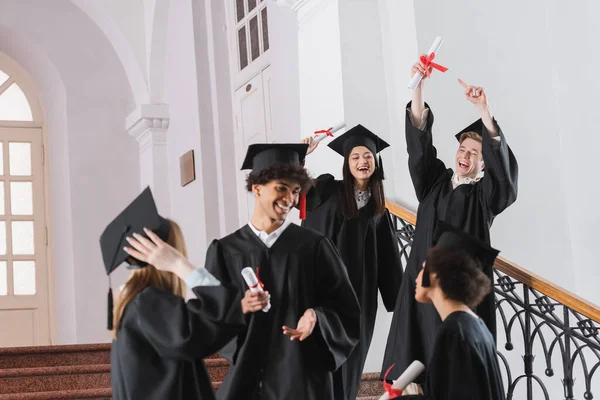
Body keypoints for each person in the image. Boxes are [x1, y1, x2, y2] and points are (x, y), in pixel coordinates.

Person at [381, 58, 518, 381]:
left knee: (452, 371)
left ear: (485, 165)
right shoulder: (435, 183)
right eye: (463, 148)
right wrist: (419, 88)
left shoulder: (484, 197)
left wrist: (485, 111)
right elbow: (419, 148)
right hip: (419, 289)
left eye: (474, 153)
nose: (465, 155)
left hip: (455, 294)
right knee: (411, 367)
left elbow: (506, 184)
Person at [206, 143, 361, 400]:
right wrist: (240, 311)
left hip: (304, 378)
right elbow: (210, 316)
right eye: (281, 188)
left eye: (295, 191)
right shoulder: (226, 251)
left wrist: (317, 316)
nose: (289, 199)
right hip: (249, 380)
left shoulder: (314, 247)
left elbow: (347, 309)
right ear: (256, 188)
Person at [101, 187, 244, 400]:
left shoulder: (133, 302)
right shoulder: (149, 303)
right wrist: (180, 265)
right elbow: (219, 313)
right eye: (177, 250)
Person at [301, 125, 404, 400]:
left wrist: (402, 300)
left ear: (375, 162)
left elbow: (388, 259)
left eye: (368, 156)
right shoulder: (327, 190)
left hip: (360, 303)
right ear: (347, 163)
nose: (362, 162)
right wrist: (301, 157)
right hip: (326, 297)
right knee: (322, 367)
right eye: (356, 157)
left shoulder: (379, 210)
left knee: (350, 368)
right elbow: (297, 195)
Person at [388, 222, 505, 399]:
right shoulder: (477, 328)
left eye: (422, 268)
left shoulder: (454, 333)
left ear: (436, 273)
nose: (417, 277)